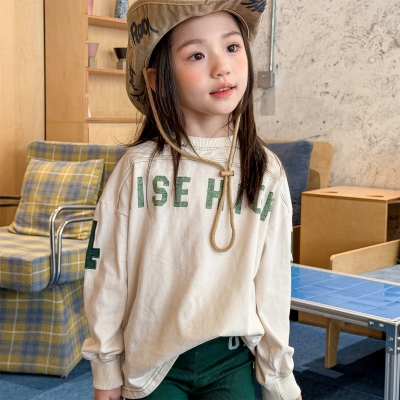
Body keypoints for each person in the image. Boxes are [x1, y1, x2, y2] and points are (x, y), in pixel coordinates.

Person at [81, 1, 302, 399]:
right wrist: (105, 367)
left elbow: (273, 281)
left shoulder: (265, 170)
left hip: (231, 359)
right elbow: (108, 273)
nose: (222, 67)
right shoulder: (138, 168)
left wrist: (278, 376)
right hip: (153, 364)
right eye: (197, 55)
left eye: (232, 47)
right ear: (157, 79)